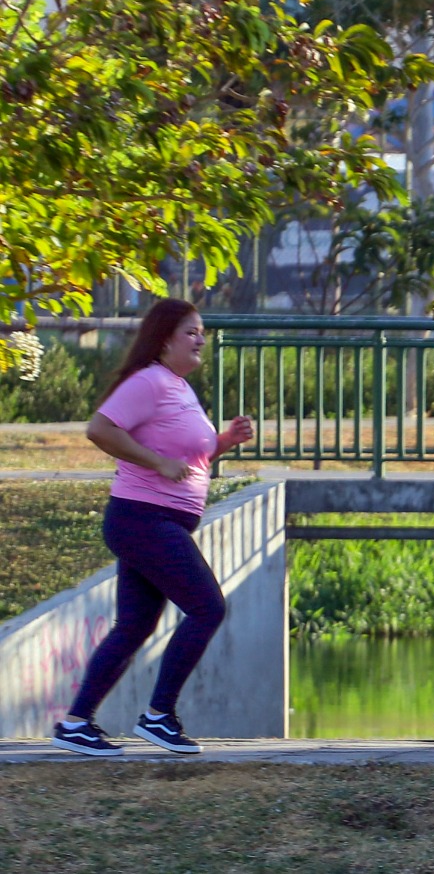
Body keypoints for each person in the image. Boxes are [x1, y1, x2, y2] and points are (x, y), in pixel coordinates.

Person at [51, 298, 255, 757]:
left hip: (155, 520)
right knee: (207, 608)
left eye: (202, 332)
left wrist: (225, 440)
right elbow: (99, 429)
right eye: (191, 332)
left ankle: (76, 723)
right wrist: (156, 462)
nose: (201, 339)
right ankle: (159, 715)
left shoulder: (178, 387)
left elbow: (189, 458)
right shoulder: (149, 382)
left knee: (134, 626)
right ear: (164, 340)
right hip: (144, 518)